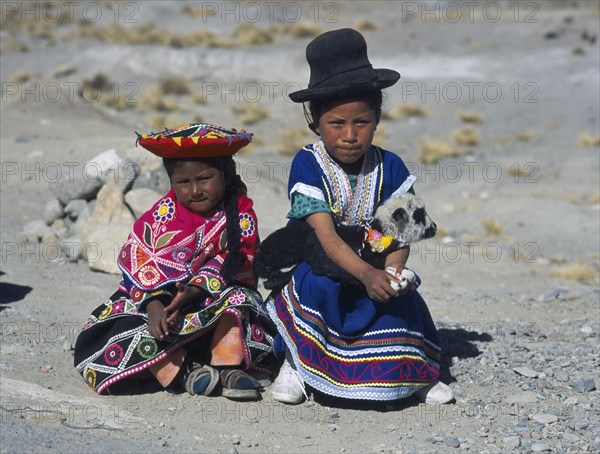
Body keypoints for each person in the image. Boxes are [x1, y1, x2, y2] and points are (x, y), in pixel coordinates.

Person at [265, 29, 454, 405]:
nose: (349, 135)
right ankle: (297, 364)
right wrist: (366, 274)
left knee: (402, 302)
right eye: (337, 124)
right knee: (318, 289)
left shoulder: (392, 166)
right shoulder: (308, 163)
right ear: (316, 122)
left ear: (377, 119)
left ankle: (413, 370)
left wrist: (394, 273)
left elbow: (402, 235)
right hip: (320, 263)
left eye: (361, 122)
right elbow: (326, 239)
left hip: (375, 263)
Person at [74, 123, 275, 399]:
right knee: (132, 325)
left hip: (209, 301)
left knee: (240, 300)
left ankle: (229, 366)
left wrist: (191, 292)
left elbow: (239, 263)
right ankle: (182, 371)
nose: (194, 190)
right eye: (183, 182)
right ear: (171, 182)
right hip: (159, 304)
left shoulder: (239, 216)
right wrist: (155, 305)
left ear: (226, 175)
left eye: (204, 179)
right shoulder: (160, 218)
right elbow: (139, 267)